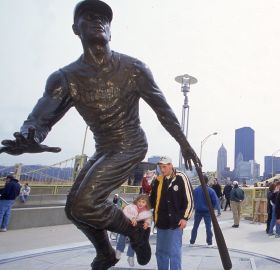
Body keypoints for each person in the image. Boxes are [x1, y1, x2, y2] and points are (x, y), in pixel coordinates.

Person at [0, 1, 200, 268]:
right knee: (74, 209)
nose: (99, 22)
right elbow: (39, 119)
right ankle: (106, 252)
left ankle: (134, 230)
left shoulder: (133, 68)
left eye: (105, 19)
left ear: (111, 31)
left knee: (85, 204)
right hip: (104, 148)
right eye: (89, 16)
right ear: (75, 29)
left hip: (130, 143)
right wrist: (29, 138)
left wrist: (184, 143)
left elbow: (162, 109)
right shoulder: (65, 78)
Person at [150, 156, 194, 270]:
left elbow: (190, 200)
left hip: (175, 223)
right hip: (161, 222)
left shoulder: (181, 177)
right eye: (160, 167)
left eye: (164, 167)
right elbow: (152, 201)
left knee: (174, 253)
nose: (162, 169)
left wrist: (185, 218)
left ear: (170, 165)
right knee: (160, 252)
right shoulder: (158, 180)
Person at [115, 194, 152, 267]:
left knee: (135, 241)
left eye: (143, 202)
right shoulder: (132, 207)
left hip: (135, 229)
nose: (141, 203)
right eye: (139, 201)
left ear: (146, 203)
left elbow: (149, 218)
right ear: (136, 201)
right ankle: (119, 250)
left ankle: (130, 256)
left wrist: (147, 223)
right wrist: (132, 218)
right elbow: (126, 211)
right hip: (127, 225)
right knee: (122, 236)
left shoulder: (147, 212)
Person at [190, 176, 217, 247]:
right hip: (207, 211)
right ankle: (209, 243)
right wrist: (212, 208)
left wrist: (195, 206)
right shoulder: (211, 190)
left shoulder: (196, 190)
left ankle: (192, 242)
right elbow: (215, 201)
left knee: (195, 227)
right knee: (208, 227)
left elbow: (192, 200)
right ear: (207, 181)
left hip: (198, 211)